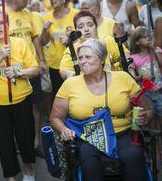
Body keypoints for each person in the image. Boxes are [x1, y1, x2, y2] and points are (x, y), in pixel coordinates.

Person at [50, 39, 152, 181]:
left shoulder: (122, 78)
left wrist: (144, 117)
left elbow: (147, 109)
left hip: (122, 132)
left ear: (102, 58)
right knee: (87, 158)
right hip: (89, 135)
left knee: (133, 155)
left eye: (88, 57)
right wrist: (64, 130)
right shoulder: (70, 84)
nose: (82, 61)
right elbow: (55, 118)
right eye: (80, 58)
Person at [0, 8, 39, 181]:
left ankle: (28, 171)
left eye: (2, 22)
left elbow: (34, 69)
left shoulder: (19, 44)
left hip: (22, 98)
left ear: (8, 24)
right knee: (5, 141)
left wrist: (19, 73)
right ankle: (10, 176)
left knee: (25, 137)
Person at [3, 0, 48, 158]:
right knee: (16, 108)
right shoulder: (1, 14)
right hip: (11, 71)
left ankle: (36, 143)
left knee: (35, 105)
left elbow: (35, 38)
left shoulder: (29, 14)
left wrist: (41, 60)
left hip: (30, 68)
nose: (28, 0)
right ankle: (20, 142)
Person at [59, 10, 133, 80]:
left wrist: (130, 68)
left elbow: (126, 55)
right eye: (81, 27)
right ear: (76, 31)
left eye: (90, 25)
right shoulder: (72, 49)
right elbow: (64, 70)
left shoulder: (107, 41)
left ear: (96, 27)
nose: (86, 29)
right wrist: (71, 75)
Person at [41, 0, 79, 94]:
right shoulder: (46, 18)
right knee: (60, 95)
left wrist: (70, 40)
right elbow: (44, 42)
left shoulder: (76, 14)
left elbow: (82, 38)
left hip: (74, 63)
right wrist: (44, 30)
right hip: (55, 65)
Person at [130, 27, 162, 123]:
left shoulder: (155, 51)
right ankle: (153, 133)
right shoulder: (134, 58)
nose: (148, 38)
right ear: (137, 42)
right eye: (144, 37)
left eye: (149, 36)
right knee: (150, 112)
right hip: (146, 91)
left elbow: (161, 63)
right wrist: (143, 77)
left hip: (159, 88)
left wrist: (155, 49)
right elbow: (134, 76)